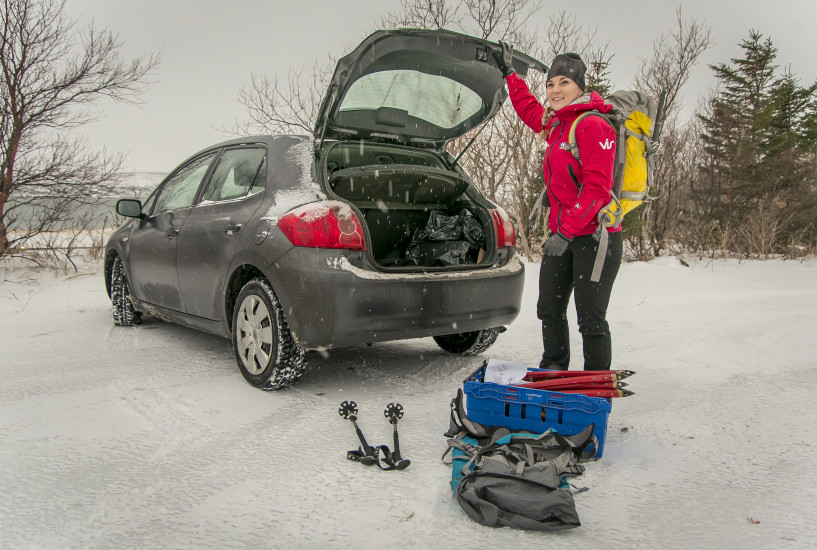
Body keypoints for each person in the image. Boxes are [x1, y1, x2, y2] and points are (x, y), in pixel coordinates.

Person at [496, 43, 623, 371]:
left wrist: (565, 233)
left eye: (564, 83)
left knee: (591, 319)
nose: (555, 90)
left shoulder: (593, 125)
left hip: (596, 237)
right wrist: (510, 74)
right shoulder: (556, 124)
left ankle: (594, 396)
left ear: (580, 87)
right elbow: (528, 110)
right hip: (563, 235)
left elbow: (597, 190)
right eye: (551, 84)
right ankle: (554, 373)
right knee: (549, 310)